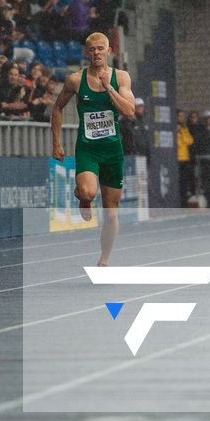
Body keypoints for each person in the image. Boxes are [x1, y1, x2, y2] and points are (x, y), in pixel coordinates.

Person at [49, 31, 137, 266]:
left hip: (112, 150)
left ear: (109, 51)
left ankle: (104, 258)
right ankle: (83, 197)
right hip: (88, 147)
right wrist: (56, 142)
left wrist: (109, 88)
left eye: (101, 48)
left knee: (111, 210)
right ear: (87, 52)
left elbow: (129, 111)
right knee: (88, 192)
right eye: (92, 49)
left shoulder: (122, 77)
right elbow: (57, 108)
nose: (96, 53)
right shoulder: (76, 80)